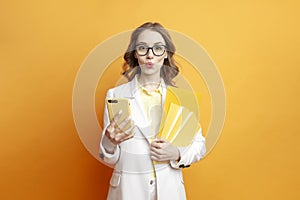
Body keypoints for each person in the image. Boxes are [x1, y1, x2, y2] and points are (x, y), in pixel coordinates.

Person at [99, 22, 206, 200]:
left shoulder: (182, 100)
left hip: (169, 191)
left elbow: (199, 145)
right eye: (142, 48)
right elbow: (109, 158)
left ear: (165, 54)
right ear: (135, 53)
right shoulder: (116, 95)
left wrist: (177, 153)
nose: (150, 55)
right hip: (128, 191)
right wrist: (109, 143)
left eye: (157, 48)